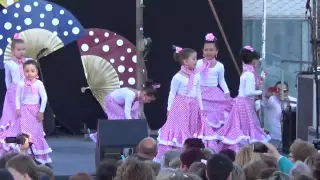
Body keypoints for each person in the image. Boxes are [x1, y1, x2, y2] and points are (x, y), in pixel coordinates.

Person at [214, 46, 270, 152]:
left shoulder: (247, 72)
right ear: (254, 61)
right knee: (245, 127)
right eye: (257, 61)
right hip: (244, 104)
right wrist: (259, 92)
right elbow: (249, 92)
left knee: (242, 126)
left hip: (243, 103)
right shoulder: (249, 74)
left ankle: (243, 150)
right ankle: (244, 151)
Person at [155, 47, 204, 162]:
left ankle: (191, 154)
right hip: (180, 106)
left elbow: (198, 92)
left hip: (193, 106)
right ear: (185, 61)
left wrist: (201, 108)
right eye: (193, 59)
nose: (196, 61)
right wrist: (169, 108)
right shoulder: (177, 77)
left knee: (191, 128)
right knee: (181, 129)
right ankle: (177, 155)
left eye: (196, 59)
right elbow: (172, 93)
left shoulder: (196, 76)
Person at [0, 60, 52, 164]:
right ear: (23, 72)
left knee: (34, 133)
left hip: (34, 112)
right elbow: (17, 98)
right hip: (23, 111)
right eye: (27, 71)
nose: (29, 73)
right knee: (19, 131)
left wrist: (41, 112)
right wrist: (18, 108)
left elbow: (44, 98)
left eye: (32, 71)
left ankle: (34, 156)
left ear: (36, 72)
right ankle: (20, 154)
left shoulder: (38, 84)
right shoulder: (20, 83)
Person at [196, 33, 233, 149]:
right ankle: (203, 141)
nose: (209, 52)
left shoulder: (220, 66)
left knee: (218, 114)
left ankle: (214, 141)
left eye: (211, 50)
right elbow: (194, 78)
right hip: (201, 92)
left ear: (216, 51)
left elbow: (221, 80)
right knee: (203, 117)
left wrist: (226, 92)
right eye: (206, 50)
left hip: (214, 92)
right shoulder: (198, 63)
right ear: (202, 50)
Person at [89, 81, 158, 143]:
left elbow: (135, 113)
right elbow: (127, 112)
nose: (148, 102)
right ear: (144, 95)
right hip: (111, 101)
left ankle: (97, 135)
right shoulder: (131, 94)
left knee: (124, 119)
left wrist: (136, 123)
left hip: (120, 103)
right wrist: (131, 124)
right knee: (120, 119)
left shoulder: (139, 97)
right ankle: (97, 135)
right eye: (149, 100)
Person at [0, 33, 30, 131]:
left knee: (27, 112)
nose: (22, 52)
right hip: (14, 91)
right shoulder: (9, 64)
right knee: (13, 113)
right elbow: (7, 78)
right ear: (13, 51)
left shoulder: (28, 61)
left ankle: (27, 133)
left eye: (23, 49)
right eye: (19, 50)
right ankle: (13, 133)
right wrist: (9, 90)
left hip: (27, 89)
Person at [262, 81, 297, 149]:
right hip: (275, 139)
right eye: (278, 90)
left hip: (290, 139)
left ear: (288, 91)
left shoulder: (294, 101)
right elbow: (265, 101)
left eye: (284, 91)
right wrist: (267, 96)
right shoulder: (272, 100)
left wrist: (288, 102)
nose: (281, 93)